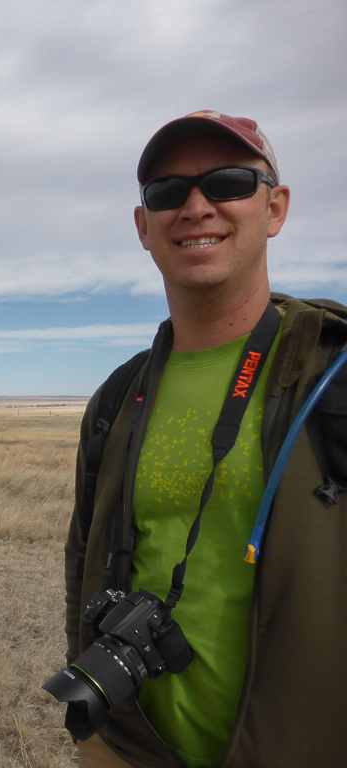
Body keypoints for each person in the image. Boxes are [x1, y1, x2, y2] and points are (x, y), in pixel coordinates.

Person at [62, 111, 347, 768]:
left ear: (274, 208)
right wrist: (99, 737)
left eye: (228, 182)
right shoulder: (117, 398)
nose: (195, 206)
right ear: (144, 227)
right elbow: (84, 563)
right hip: (134, 749)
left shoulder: (333, 378)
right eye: (167, 193)